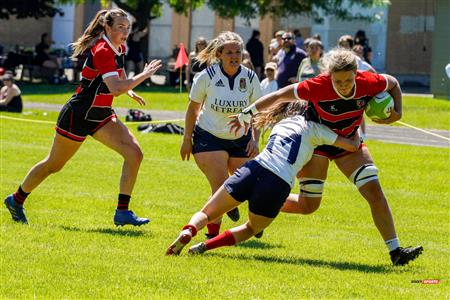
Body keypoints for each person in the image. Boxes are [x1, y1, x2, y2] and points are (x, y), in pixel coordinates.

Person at [225, 48, 423, 266]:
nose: (344, 85)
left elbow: (392, 82)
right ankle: (262, 203)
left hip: (348, 143)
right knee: (308, 206)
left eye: (349, 80)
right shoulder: (319, 85)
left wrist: (398, 113)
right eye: (338, 81)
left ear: (357, 74)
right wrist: (246, 114)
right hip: (316, 144)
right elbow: (280, 95)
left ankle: (396, 252)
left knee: (374, 191)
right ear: (329, 76)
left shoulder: (368, 82)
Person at [3, 9, 162, 226]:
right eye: (120, 27)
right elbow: (115, 87)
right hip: (78, 115)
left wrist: (130, 90)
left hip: (101, 114)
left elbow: (119, 75)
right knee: (53, 165)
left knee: (134, 154)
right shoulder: (102, 49)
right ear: (107, 27)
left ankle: (122, 212)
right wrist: (142, 76)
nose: (125, 32)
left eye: (127, 27)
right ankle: (16, 199)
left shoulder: (120, 47)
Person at [166, 105, 361, 255]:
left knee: (207, 213)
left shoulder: (281, 124)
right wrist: (355, 124)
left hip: (253, 168)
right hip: (278, 182)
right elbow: (351, 146)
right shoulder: (317, 130)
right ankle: (205, 247)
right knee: (251, 228)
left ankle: (189, 231)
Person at [180, 31, 262, 239]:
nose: (235, 56)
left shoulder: (250, 78)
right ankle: (212, 236)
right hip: (209, 137)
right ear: (219, 54)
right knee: (220, 187)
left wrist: (254, 138)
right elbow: (193, 109)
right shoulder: (206, 77)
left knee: (249, 185)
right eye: (229, 52)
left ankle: (255, 222)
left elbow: (258, 111)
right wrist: (186, 139)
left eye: (238, 52)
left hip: (241, 138)